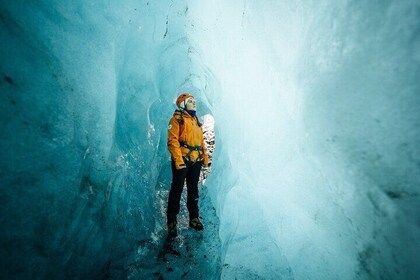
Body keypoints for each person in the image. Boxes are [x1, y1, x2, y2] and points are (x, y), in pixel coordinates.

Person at [166, 93, 209, 237]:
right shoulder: (177, 120)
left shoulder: (196, 121)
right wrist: (178, 160)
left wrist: (205, 157)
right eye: (190, 101)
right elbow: (172, 141)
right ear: (183, 104)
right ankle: (172, 221)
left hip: (195, 160)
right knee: (177, 189)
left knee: (193, 189)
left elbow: (201, 142)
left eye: (194, 101)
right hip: (182, 159)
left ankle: (194, 218)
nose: (194, 103)